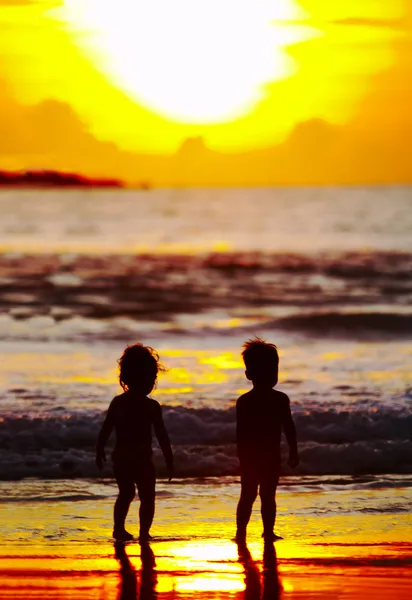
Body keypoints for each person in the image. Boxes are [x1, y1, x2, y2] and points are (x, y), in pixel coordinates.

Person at [96, 343, 174, 542]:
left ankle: (124, 530)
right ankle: (139, 532)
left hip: (124, 457)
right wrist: (169, 459)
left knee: (128, 494)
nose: (152, 382)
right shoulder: (149, 406)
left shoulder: (120, 402)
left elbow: (106, 429)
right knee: (144, 496)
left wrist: (100, 450)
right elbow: (161, 435)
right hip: (137, 458)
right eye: (151, 378)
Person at [235, 337, 299, 542]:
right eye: (265, 370)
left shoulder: (280, 399)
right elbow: (241, 433)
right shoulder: (245, 402)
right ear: (249, 374)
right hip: (253, 458)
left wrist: (293, 450)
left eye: (273, 370)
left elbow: (289, 427)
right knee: (249, 495)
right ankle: (241, 533)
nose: (270, 375)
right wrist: (242, 458)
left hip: (271, 457)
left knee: (267, 496)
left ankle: (267, 531)